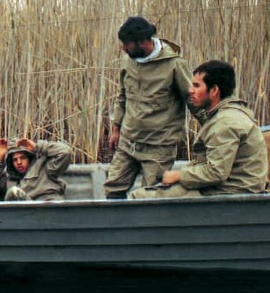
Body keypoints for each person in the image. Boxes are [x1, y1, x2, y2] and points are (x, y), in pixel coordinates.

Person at [130, 60, 268, 198]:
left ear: (214, 90)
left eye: (196, 86)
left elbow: (216, 172)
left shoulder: (225, 123)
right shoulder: (227, 115)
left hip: (229, 192)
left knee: (139, 197)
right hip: (228, 188)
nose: (190, 90)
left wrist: (179, 175)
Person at [104, 16, 194, 199]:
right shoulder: (128, 61)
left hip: (158, 146)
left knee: (151, 195)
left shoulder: (174, 65)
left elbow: (193, 100)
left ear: (143, 42)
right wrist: (116, 129)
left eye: (127, 44)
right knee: (112, 187)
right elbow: (122, 97)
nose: (123, 48)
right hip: (128, 141)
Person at [0, 137, 72, 201]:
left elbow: (65, 152)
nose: (19, 162)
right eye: (15, 160)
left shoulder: (45, 168)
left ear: (29, 158)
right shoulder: (10, 180)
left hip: (48, 210)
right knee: (13, 193)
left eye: (23, 158)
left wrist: (37, 147)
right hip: (25, 217)